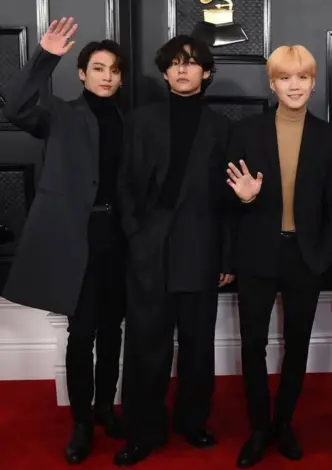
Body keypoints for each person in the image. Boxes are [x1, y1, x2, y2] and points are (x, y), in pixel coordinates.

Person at [1, 17, 126, 464]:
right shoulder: (60, 113)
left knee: (112, 329)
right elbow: (15, 107)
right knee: (83, 332)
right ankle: (81, 423)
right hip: (77, 239)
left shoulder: (130, 121)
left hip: (119, 240)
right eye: (98, 68)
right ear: (82, 73)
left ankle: (105, 409)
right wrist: (45, 57)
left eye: (114, 70)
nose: (106, 77)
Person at [223, 44, 332, 468]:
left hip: (305, 257)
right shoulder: (246, 132)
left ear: (313, 83)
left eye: (302, 77)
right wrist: (244, 198)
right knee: (253, 344)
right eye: (284, 78)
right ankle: (260, 427)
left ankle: (284, 423)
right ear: (272, 83)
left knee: (296, 345)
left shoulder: (329, 136)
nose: (294, 86)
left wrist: (326, 256)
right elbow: (226, 200)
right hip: (257, 253)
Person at [114, 35, 233, 466]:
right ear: (165, 72)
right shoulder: (139, 121)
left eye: (192, 62)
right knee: (146, 344)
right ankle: (143, 431)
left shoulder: (222, 127)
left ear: (206, 72)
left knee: (198, 345)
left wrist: (227, 257)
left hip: (201, 247)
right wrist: (136, 236)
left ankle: (193, 422)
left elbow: (229, 200)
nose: (183, 69)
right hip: (149, 247)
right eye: (175, 63)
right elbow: (124, 185)